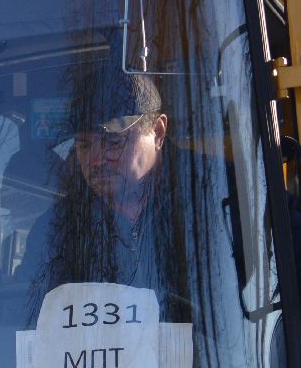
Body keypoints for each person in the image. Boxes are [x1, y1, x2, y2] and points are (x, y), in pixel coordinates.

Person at [14, 64, 191, 325]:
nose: (96, 160)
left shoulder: (213, 205)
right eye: (84, 144)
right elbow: (23, 318)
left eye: (113, 141)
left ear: (158, 132)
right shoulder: (54, 230)